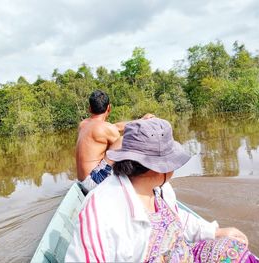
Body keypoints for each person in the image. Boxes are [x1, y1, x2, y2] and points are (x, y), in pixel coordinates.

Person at [66, 117, 258, 262]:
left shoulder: (160, 189)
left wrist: (214, 232)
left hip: (183, 255)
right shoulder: (101, 209)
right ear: (158, 168)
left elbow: (177, 218)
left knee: (234, 247)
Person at [76, 89, 152, 192]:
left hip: (82, 181)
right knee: (122, 141)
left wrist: (141, 121)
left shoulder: (83, 124)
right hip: (93, 182)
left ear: (90, 108)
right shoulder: (107, 129)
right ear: (109, 108)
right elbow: (123, 151)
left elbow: (115, 126)